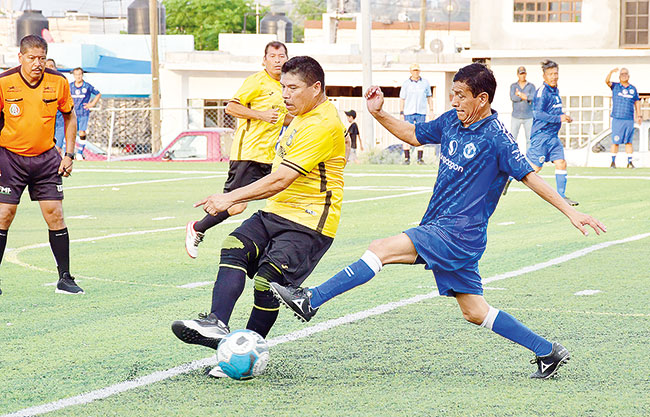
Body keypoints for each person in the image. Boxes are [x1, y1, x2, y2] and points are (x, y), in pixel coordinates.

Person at [269, 63, 607, 380]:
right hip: (444, 228)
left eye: (461, 96)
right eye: (453, 94)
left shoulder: (497, 138)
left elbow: (531, 177)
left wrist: (571, 211)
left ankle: (311, 300)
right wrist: (380, 113)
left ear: (482, 99)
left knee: (380, 249)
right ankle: (547, 351)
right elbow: (413, 134)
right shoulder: (451, 122)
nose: (454, 101)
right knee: (475, 311)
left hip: (458, 233)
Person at [171, 56, 346, 378]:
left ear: (316, 88)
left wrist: (230, 197)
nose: (285, 94)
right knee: (234, 245)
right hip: (277, 210)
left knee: (267, 282)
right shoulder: (300, 114)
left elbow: (281, 179)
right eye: (283, 87)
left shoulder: (322, 124)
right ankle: (216, 323)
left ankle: (244, 352)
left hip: (309, 222)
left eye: (293, 88)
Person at [184, 41, 291, 259]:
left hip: (270, 157)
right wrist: (261, 115)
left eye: (281, 56)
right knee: (235, 206)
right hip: (248, 155)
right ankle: (197, 228)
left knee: (282, 194)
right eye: (272, 56)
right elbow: (231, 107)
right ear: (264, 61)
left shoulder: (284, 86)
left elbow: (282, 118)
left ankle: (275, 245)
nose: (277, 60)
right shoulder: (256, 81)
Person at [0, 35, 82, 295]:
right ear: (20, 57)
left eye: (42, 58)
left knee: (55, 214)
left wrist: (69, 154)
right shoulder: (4, 82)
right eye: (32, 58)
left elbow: (70, 116)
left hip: (46, 159)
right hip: (10, 158)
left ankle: (65, 278)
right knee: (4, 215)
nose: (37, 63)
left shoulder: (58, 81)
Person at [526, 60, 578, 206]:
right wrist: (558, 118)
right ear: (544, 76)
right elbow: (538, 114)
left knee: (561, 163)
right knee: (535, 168)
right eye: (550, 74)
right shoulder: (542, 92)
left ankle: (562, 197)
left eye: (555, 73)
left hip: (553, 136)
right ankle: (509, 178)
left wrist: (564, 117)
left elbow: (554, 111)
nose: (554, 76)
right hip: (541, 135)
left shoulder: (555, 91)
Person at [605, 67, 641, 169]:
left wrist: (639, 115)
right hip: (617, 118)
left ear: (629, 76)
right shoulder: (616, 86)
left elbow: (637, 102)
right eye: (622, 74)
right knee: (615, 141)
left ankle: (630, 162)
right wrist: (611, 72)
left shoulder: (633, 89)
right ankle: (613, 162)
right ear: (619, 76)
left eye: (626, 74)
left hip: (629, 118)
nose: (624, 76)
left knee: (628, 142)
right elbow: (607, 81)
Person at [400, 63, 433, 164]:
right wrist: (401, 112)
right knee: (407, 133)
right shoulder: (406, 84)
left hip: (421, 112)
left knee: (421, 133)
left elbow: (429, 97)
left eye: (417, 70)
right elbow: (402, 98)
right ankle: (407, 158)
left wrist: (431, 110)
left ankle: (420, 158)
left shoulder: (425, 83)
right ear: (410, 71)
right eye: (414, 70)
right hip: (408, 112)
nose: (416, 72)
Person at [70, 67, 101, 158]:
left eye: (79, 74)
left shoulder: (87, 86)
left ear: (82, 75)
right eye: (76, 75)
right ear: (74, 75)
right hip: (72, 113)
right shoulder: (70, 86)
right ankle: (69, 153)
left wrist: (92, 104)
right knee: (70, 132)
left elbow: (98, 94)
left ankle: (80, 152)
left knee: (82, 132)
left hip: (83, 113)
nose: (78, 76)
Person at [509, 66, 535, 153]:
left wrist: (519, 94)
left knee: (529, 139)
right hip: (516, 116)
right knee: (512, 138)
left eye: (524, 73)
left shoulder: (531, 86)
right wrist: (524, 97)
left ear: (526, 74)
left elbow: (533, 97)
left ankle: (529, 158)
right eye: (521, 74)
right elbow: (513, 98)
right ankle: (512, 156)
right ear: (517, 75)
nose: (522, 76)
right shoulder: (513, 86)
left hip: (529, 117)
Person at [45, 59, 66, 154]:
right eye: (47, 66)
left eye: (51, 66)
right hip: (45, 121)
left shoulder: (62, 82)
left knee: (57, 149)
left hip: (59, 120)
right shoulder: (37, 85)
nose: (49, 68)